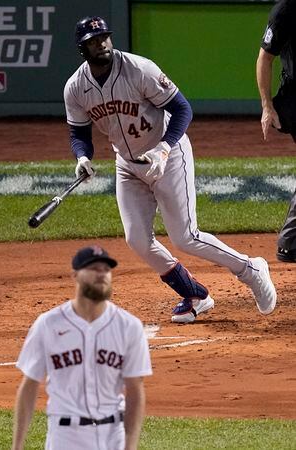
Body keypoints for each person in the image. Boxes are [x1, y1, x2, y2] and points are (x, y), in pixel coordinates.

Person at [64, 15, 277, 324]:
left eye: (105, 37)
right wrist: (82, 158)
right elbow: (79, 133)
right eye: (94, 41)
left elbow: (182, 109)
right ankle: (194, 295)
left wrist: (163, 149)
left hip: (169, 155)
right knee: (137, 238)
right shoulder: (75, 88)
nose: (103, 43)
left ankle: (250, 269)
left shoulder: (139, 69)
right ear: (82, 49)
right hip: (127, 164)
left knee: (185, 236)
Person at [11, 245, 152, 450]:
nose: (102, 274)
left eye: (106, 269)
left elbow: (135, 390)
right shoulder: (48, 324)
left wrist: (130, 446)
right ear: (75, 275)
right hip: (66, 437)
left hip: (113, 435)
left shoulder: (129, 326)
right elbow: (29, 385)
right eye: (94, 268)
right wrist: (17, 446)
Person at [256, 0, 296, 263]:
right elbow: (265, 58)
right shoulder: (286, 9)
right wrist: (267, 106)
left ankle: (290, 242)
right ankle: (289, 241)